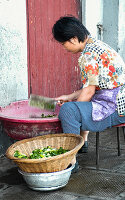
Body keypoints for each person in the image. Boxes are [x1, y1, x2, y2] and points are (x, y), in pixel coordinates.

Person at [52, 16, 125, 154]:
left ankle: (70, 162)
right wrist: (69, 96)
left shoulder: (88, 56)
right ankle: (82, 141)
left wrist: (74, 109)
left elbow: (89, 92)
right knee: (79, 96)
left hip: (116, 109)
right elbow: (90, 87)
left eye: (63, 44)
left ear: (73, 39)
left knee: (68, 111)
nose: (64, 48)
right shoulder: (98, 45)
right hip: (121, 102)